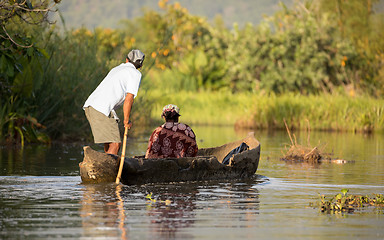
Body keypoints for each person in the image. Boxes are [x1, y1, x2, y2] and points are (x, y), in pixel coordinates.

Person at [83, 49, 145, 155]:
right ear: (140, 66)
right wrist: (126, 120)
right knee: (115, 144)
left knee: (110, 142)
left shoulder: (117, 68)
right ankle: (107, 169)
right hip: (101, 108)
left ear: (126, 60)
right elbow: (129, 99)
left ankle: (106, 165)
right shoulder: (135, 73)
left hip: (90, 106)